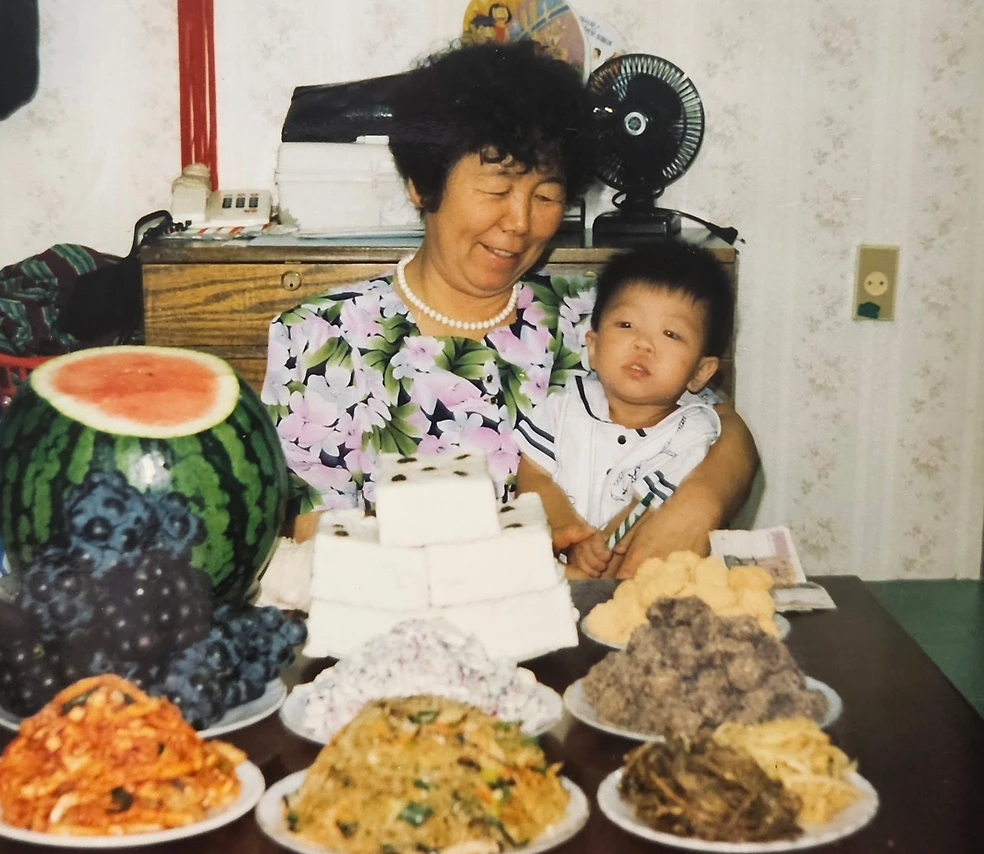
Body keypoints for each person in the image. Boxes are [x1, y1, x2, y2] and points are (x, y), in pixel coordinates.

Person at [262, 40, 758, 576]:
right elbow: (318, 538)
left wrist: (697, 505)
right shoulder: (321, 338)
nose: (521, 222)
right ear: (423, 185)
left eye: (545, 196)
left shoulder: (597, 319)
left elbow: (721, 425)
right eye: (498, 189)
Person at [514, 242, 732, 578]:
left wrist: (601, 548)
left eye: (671, 334)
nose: (643, 343)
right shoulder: (565, 406)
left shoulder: (692, 435)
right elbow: (533, 476)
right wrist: (569, 531)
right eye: (626, 325)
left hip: (639, 582)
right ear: (593, 346)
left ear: (700, 372)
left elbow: (643, 513)